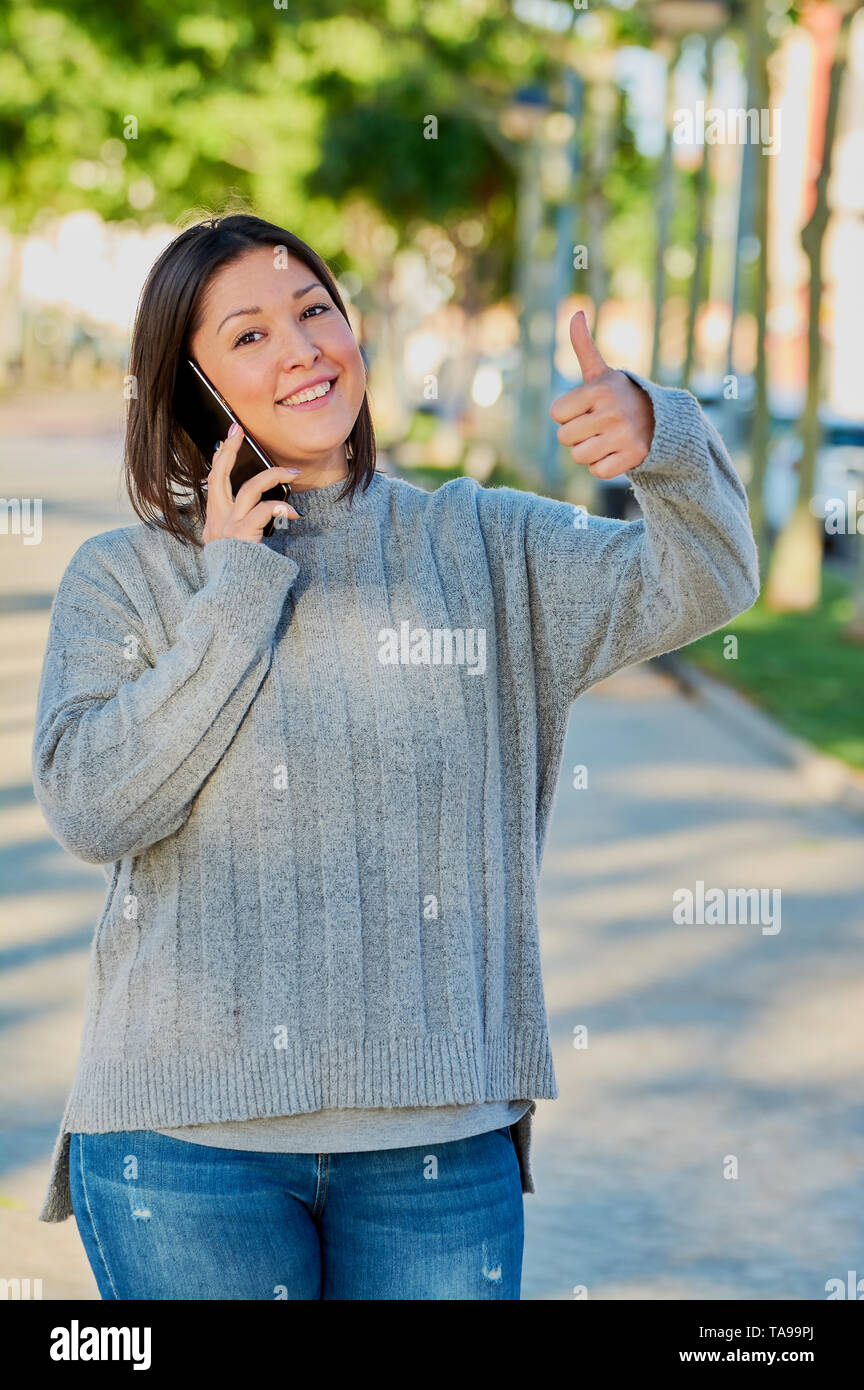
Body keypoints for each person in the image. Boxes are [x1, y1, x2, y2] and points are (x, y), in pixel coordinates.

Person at [31, 212, 759, 1300]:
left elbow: (707, 581)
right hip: (182, 1153)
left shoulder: (487, 543)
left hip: (438, 1149)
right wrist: (234, 593)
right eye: (249, 336)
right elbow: (94, 807)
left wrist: (666, 442)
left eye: (315, 309)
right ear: (189, 386)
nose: (302, 348)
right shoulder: (126, 574)